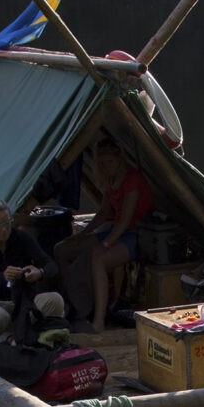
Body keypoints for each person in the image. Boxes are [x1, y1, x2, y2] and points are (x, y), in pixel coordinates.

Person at [53, 135, 155, 332]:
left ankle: (99, 320)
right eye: (102, 163)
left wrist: (106, 244)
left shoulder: (132, 180)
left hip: (136, 234)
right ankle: (74, 303)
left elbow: (125, 220)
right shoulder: (110, 180)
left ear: (119, 160)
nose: (107, 166)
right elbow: (104, 213)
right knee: (61, 249)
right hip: (115, 231)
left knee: (98, 259)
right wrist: (82, 234)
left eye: (110, 162)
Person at [0, 197, 65, 346]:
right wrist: (3, 277)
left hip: (21, 300)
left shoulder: (21, 237)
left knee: (55, 300)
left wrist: (39, 272)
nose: (4, 230)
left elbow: (51, 266)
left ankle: (40, 341)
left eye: (7, 224)